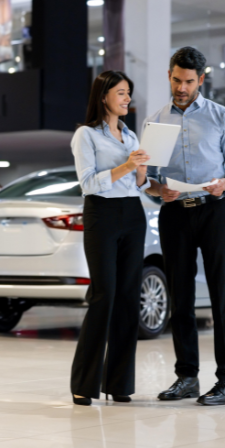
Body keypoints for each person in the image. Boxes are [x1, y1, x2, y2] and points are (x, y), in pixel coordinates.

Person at [144, 47, 225, 406]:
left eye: (188, 81)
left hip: (215, 210)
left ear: (201, 80)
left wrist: (224, 184)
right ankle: (186, 376)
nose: (181, 87)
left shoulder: (222, 117)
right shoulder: (156, 121)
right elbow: (148, 179)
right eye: (176, 80)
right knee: (181, 297)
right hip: (174, 213)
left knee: (223, 297)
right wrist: (161, 191)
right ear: (169, 76)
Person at [69, 70, 150, 406]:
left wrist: (142, 168)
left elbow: (140, 183)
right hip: (101, 214)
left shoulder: (131, 137)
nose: (127, 98)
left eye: (128, 92)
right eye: (121, 93)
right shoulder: (85, 135)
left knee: (129, 299)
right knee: (104, 295)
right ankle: (83, 384)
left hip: (133, 214)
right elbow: (88, 183)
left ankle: (119, 384)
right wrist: (127, 167)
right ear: (104, 96)